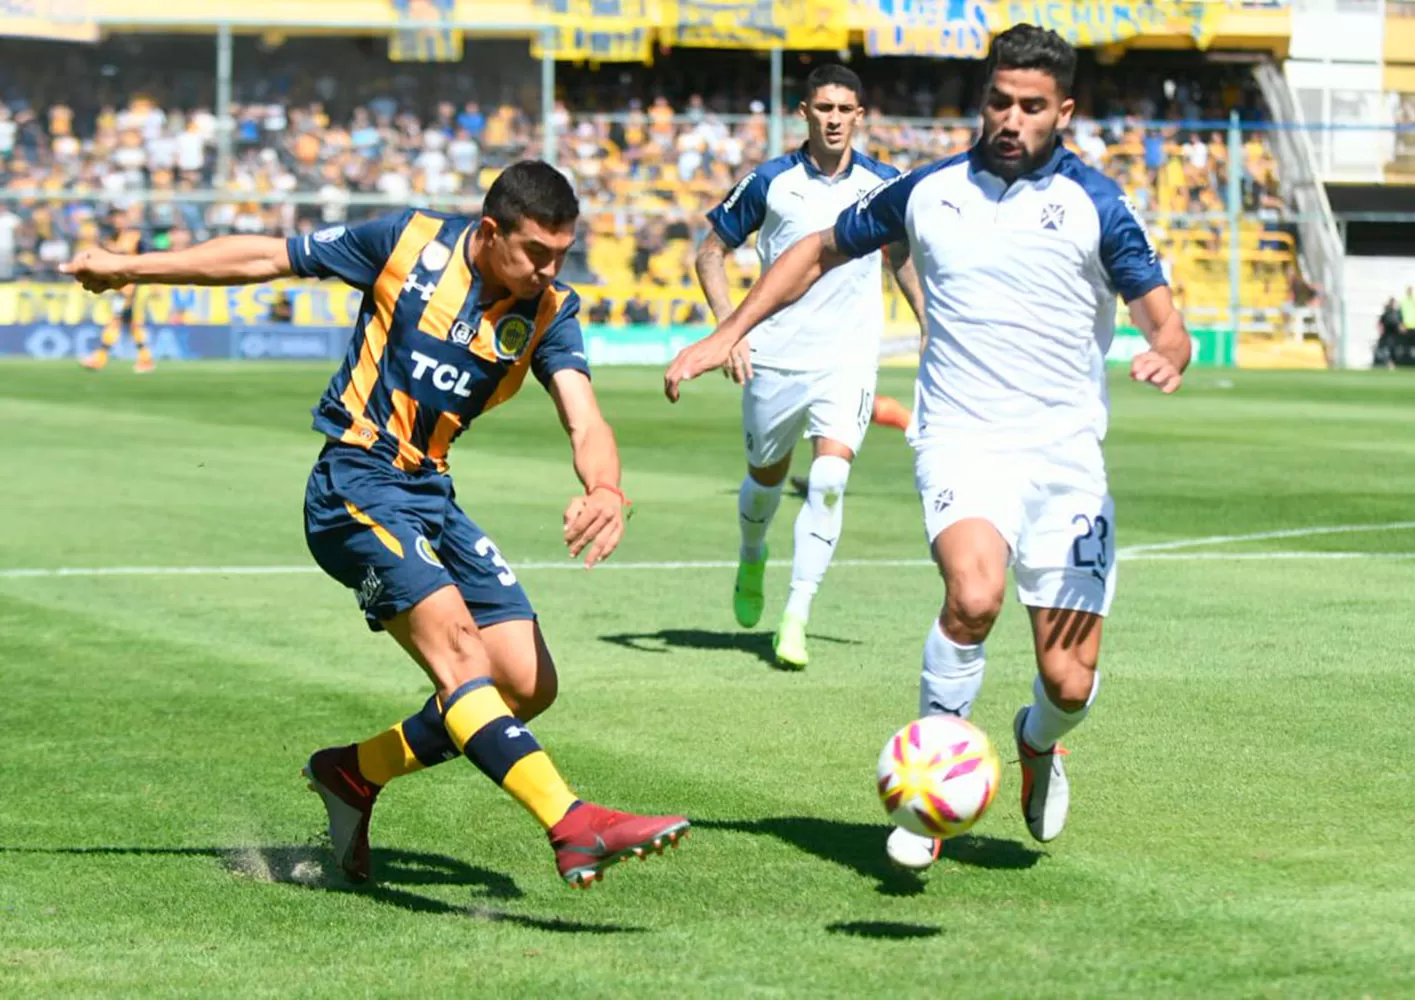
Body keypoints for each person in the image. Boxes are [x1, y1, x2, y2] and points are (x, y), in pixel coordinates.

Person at [62, 161, 689, 889]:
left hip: (431, 490)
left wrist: (606, 486)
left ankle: (353, 774)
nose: (551, 271)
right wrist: (127, 267)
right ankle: (571, 821)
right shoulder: (407, 243)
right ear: (490, 233)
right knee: (462, 656)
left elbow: (585, 416)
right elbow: (269, 254)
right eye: (537, 254)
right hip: (353, 483)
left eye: (562, 254)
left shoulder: (549, 312)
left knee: (525, 683)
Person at [666, 25, 1190, 868]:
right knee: (973, 596)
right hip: (962, 441)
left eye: (1030, 106)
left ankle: (1036, 742)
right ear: (981, 102)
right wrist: (725, 332)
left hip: (1065, 462)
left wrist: (1168, 348)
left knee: (1069, 685)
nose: (1010, 118)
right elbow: (812, 250)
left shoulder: (1098, 200)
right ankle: (928, 788)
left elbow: (1163, 314)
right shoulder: (927, 190)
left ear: (1063, 111)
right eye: (997, 101)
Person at [694, 64, 924, 669]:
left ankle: (796, 615)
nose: (833, 118)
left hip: (847, 359)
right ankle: (752, 554)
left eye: (844, 109)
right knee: (765, 482)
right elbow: (711, 253)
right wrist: (729, 330)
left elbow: (900, 257)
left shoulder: (883, 184)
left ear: (859, 116)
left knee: (828, 481)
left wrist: (930, 324)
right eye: (823, 107)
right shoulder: (768, 182)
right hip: (774, 357)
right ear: (804, 112)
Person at [80, 209, 155, 373]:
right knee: (131, 323)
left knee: (117, 319)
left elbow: (143, 256)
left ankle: (100, 357)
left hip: (130, 287)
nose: (117, 222)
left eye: (120, 218)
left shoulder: (134, 237)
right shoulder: (111, 238)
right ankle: (145, 359)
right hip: (120, 286)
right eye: (115, 219)